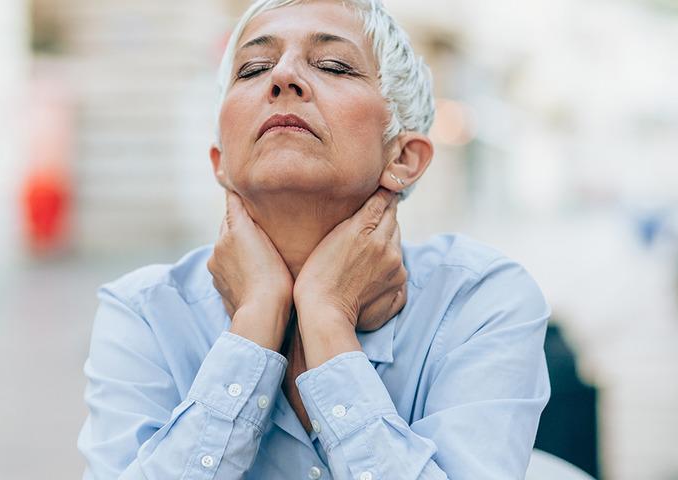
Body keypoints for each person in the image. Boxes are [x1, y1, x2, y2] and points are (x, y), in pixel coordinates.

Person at [77, 1, 551, 478]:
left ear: (404, 156)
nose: (282, 77)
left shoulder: (479, 302)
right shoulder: (145, 313)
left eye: (333, 65)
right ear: (220, 160)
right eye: (254, 68)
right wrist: (255, 320)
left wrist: (327, 317)